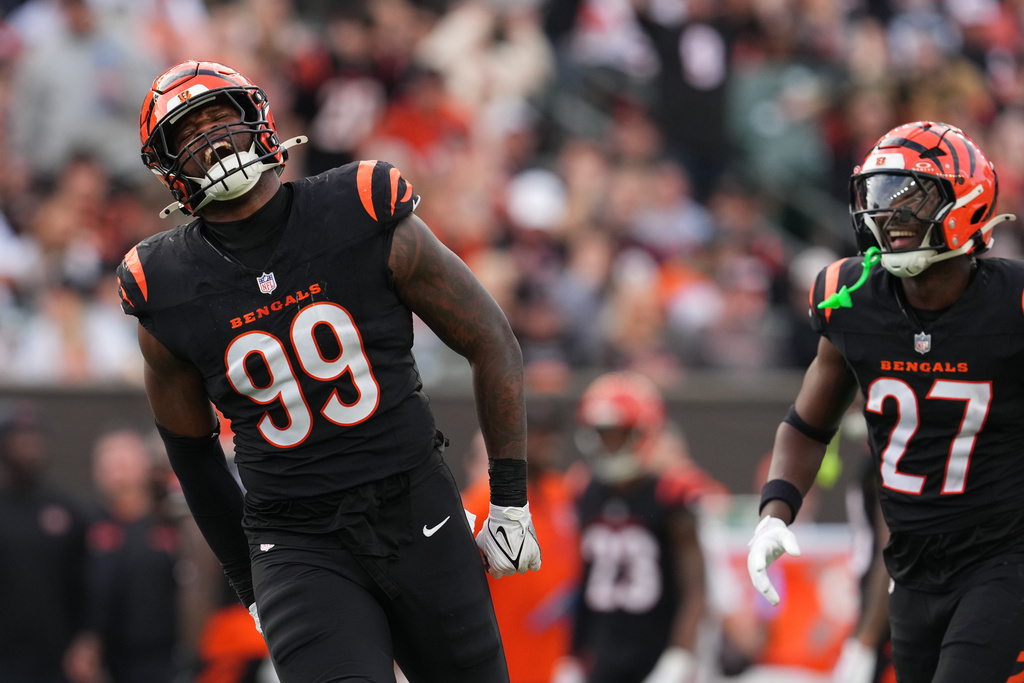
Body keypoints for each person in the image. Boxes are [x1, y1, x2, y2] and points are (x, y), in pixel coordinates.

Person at [115, 60, 541, 683]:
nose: (211, 141)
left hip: (413, 504)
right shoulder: (165, 285)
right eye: (190, 134)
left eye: (220, 119)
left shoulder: (357, 208)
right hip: (296, 542)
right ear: (169, 168)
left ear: (258, 121)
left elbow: (490, 338)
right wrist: (251, 585)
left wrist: (509, 500)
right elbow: (192, 452)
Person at [746, 120, 1024, 682]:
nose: (889, 212)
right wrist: (774, 513)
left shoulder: (1011, 305)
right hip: (910, 567)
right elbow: (807, 425)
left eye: (911, 196)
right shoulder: (852, 299)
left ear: (967, 203)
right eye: (879, 193)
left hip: (1003, 557)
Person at [557, 371, 706, 683]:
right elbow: (576, 580)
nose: (609, 444)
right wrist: (570, 653)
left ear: (643, 433)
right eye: (603, 434)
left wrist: (680, 653)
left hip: (655, 649)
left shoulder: (670, 495)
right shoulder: (583, 492)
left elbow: (695, 588)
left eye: (618, 434)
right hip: (599, 651)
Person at [461, 399, 581, 683]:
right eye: (538, 433)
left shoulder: (562, 493)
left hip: (549, 659)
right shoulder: (484, 501)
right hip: (497, 660)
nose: (548, 441)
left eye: (551, 432)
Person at [65, 427, 184, 683]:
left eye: (122, 464)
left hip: (168, 656)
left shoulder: (173, 523)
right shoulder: (85, 525)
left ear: (146, 466)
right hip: (109, 658)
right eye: (107, 466)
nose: (115, 474)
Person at [0, 401, 90, 683]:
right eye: (20, 439)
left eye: (36, 438)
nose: (30, 447)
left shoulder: (66, 510)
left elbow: (85, 583)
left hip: (57, 661)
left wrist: (85, 639)